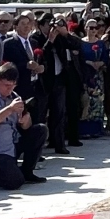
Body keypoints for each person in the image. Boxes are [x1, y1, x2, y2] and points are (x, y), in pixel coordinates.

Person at [0, 63, 47, 188]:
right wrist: (9, 109)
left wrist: (25, 120)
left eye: (13, 86)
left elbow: (26, 127)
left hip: (8, 149)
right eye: (6, 85)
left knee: (40, 130)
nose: (9, 89)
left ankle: (26, 172)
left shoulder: (14, 97)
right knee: (14, 182)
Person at [41, 18, 84, 152]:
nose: (53, 29)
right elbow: (42, 54)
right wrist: (50, 40)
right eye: (50, 25)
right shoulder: (37, 37)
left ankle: (60, 144)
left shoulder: (61, 38)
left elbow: (77, 44)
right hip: (44, 80)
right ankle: (47, 142)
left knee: (59, 112)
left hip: (60, 78)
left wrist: (65, 34)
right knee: (42, 113)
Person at [81, 18, 110, 134]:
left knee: (98, 102)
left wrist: (100, 63)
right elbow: (79, 59)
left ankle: (97, 129)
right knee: (86, 102)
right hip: (85, 76)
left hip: (98, 76)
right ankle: (85, 129)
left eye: (96, 28)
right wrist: (89, 62)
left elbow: (106, 57)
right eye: (91, 28)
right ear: (86, 28)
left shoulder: (100, 43)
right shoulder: (81, 43)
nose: (94, 30)